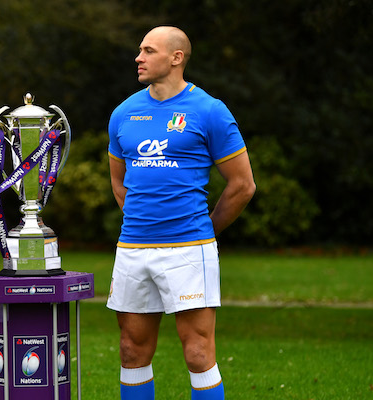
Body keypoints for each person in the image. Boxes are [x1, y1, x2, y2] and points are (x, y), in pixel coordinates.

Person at [106, 26, 256, 400]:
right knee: (131, 350)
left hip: (189, 249)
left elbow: (242, 185)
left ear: (176, 58)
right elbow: (118, 181)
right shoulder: (124, 112)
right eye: (139, 50)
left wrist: (206, 228)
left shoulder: (209, 111)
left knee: (198, 352)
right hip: (133, 249)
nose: (138, 58)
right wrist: (143, 219)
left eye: (148, 50)